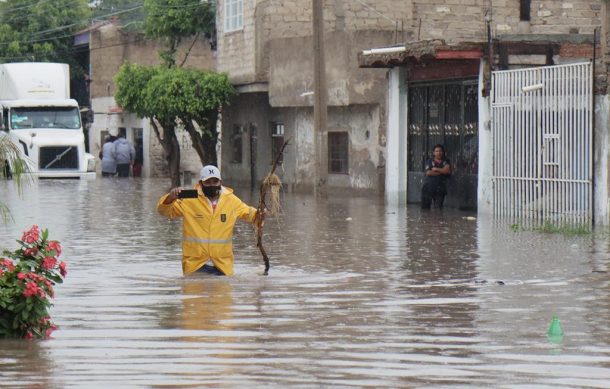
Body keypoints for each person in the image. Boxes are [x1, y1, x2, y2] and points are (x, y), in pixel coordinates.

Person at [156, 165, 261, 276]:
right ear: (201, 183)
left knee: (222, 293)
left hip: (222, 266)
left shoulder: (231, 200)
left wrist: (259, 215)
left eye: (215, 181)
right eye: (208, 182)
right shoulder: (189, 199)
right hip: (195, 264)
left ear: (220, 182)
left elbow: (249, 214)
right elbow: (165, 211)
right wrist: (170, 198)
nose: (212, 185)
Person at [421, 144, 451, 209]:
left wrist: (436, 169)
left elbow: (447, 170)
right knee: (425, 209)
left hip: (440, 188)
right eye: (436, 151)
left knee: (438, 209)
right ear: (434, 153)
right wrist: (441, 172)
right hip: (428, 187)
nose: (439, 153)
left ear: (443, 152)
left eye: (440, 151)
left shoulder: (446, 161)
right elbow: (428, 173)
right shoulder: (429, 161)